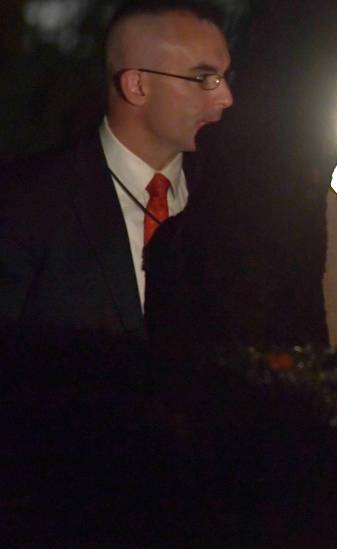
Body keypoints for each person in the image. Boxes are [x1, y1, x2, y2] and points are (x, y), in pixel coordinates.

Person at [0, 0, 233, 338]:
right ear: (136, 85)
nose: (226, 97)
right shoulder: (25, 202)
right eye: (203, 77)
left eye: (224, 77)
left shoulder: (235, 202)